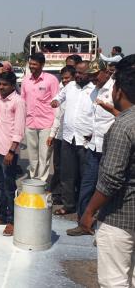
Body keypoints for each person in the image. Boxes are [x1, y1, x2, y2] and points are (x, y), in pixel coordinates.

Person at [80, 61, 135, 287]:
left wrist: (89, 211)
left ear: (119, 91)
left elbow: (111, 178)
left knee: (115, 281)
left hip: (119, 217)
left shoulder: (123, 126)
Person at [66, 60, 115, 236]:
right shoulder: (95, 90)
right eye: (91, 76)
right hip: (94, 146)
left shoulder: (116, 90)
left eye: (95, 75)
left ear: (104, 72)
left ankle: (105, 227)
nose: (93, 79)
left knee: (108, 188)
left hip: (111, 149)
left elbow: (121, 117)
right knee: (87, 184)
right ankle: (83, 222)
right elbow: (93, 119)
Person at [0, 71, 26, 236]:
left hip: (8, 152)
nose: (1, 87)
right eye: (0, 84)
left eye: (5, 84)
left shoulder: (18, 101)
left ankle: (12, 221)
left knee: (9, 187)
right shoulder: (0, 95)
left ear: (12, 85)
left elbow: (19, 129)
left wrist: (11, 151)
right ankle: (1, 215)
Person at [51, 61, 96, 215]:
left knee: (86, 177)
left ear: (89, 73)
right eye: (76, 72)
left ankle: (86, 209)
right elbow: (60, 96)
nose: (77, 75)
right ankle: (68, 205)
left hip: (86, 141)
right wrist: (56, 101)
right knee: (67, 175)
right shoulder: (70, 86)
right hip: (68, 138)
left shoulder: (95, 89)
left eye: (81, 73)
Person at [21, 52, 59, 182]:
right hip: (30, 123)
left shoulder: (51, 80)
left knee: (44, 155)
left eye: (35, 64)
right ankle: (33, 179)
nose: (32, 66)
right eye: (30, 64)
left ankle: (42, 181)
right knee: (32, 155)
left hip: (46, 124)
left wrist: (54, 128)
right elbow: (22, 101)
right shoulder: (26, 80)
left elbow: (56, 103)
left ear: (42, 65)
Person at [46, 66, 75, 204]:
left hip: (72, 138)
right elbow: (58, 116)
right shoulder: (62, 92)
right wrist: (52, 134)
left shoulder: (79, 93)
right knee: (58, 167)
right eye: (63, 78)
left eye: (67, 78)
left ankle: (67, 196)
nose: (65, 81)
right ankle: (57, 193)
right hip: (60, 136)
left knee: (68, 170)